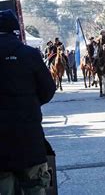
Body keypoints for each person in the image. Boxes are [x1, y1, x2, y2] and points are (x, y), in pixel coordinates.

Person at [0, 10, 56, 194]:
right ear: (15, 30)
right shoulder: (30, 54)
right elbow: (48, 89)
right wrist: (29, 104)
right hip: (28, 137)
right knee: (35, 187)